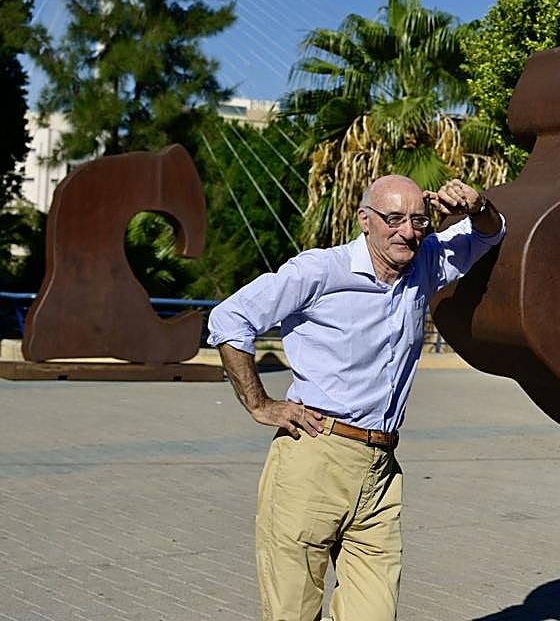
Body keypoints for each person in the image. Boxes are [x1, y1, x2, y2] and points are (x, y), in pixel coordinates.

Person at [207, 175, 504, 621]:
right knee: (293, 613)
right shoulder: (319, 271)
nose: (408, 231)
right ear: (365, 220)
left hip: (381, 471)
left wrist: (478, 204)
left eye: (418, 220)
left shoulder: (425, 262)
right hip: (313, 460)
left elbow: (489, 232)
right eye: (394, 219)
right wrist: (259, 404)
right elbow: (230, 319)